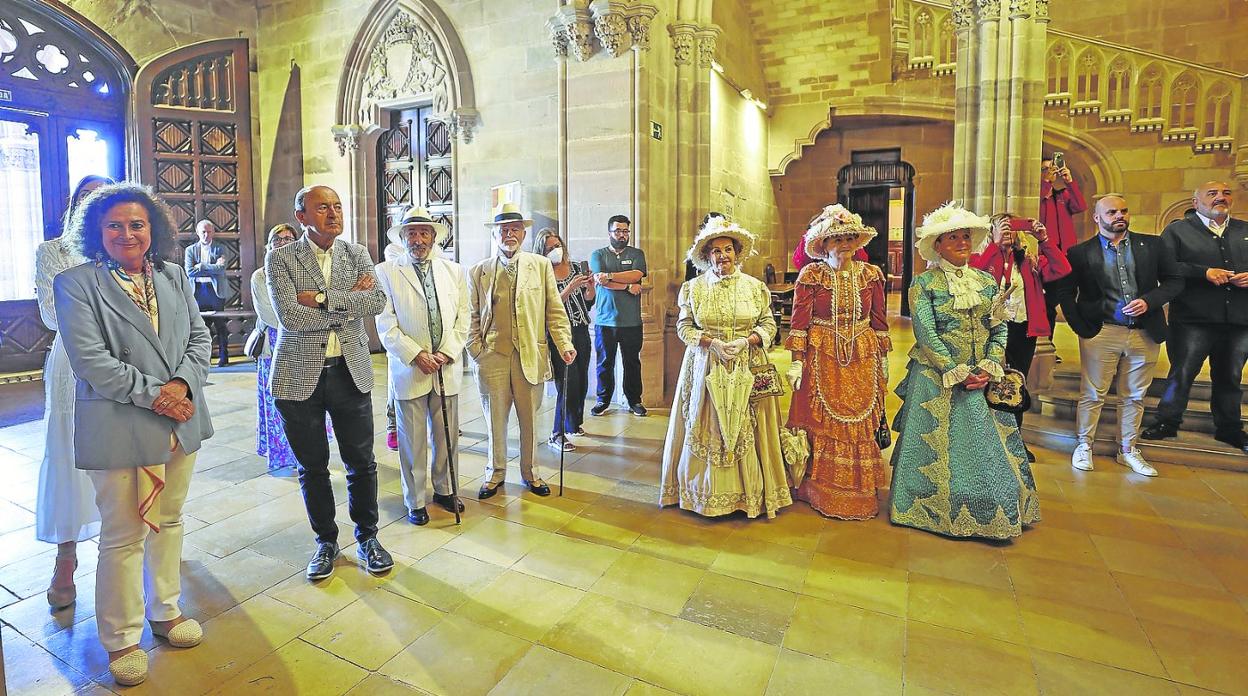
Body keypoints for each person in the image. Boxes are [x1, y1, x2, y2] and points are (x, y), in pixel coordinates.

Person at [54, 183, 214, 686]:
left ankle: (165, 611)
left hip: (180, 415)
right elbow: (92, 361)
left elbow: (199, 337)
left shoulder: (172, 274)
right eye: (115, 226)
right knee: (123, 533)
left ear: (155, 229)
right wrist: (157, 394)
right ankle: (121, 637)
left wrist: (183, 384)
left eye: (137, 224)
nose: (127, 234)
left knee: (168, 519)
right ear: (96, 233)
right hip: (120, 419)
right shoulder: (76, 283)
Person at [889, 202, 1040, 540]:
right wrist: (955, 370)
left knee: (987, 448)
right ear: (938, 245)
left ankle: (991, 508)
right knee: (938, 448)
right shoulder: (924, 284)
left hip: (983, 375)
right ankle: (929, 511)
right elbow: (926, 333)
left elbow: (999, 326)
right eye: (952, 237)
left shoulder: (986, 283)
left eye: (965, 236)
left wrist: (990, 364)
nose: (961, 242)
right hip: (937, 378)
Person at [266, 185, 393, 580]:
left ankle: (368, 537)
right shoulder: (280, 259)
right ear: (302, 215)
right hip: (298, 376)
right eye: (323, 208)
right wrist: (345, 303)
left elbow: (376, 303)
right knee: (313, 466)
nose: (333, 213)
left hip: (349, 371)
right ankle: (326, 542)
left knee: (361, 462)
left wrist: (320, 299)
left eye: (337, 206)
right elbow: (291, 318)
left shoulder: (357, 254)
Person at [660, 219, 792, 519]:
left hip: (748, 364)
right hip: (706, 365)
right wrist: (710, 343)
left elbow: (769, 324)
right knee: (707, 424)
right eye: (716, 251)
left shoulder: (755, 287)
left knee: (748, 426)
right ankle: (705, 494)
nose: (723, 256)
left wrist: (749, 341)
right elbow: (684, 326)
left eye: (728, 249)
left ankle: (750, 495)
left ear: (737, 253)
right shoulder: (693, 289)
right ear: (707, 256)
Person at [1058, 195, 1182, 476]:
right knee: (1092, 393)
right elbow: (1065, 292)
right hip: (1102, 331)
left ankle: (1128, 450)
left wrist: (1150, 301)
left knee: (1135, 395)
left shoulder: (1152, 245)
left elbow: (1175, 281)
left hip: (1144, 331)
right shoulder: (1079, 252)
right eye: (1112, 212)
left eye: (1124, 210)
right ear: (1097, 217)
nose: (1119, 216)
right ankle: (1084, 445)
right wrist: (1079, 326)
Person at [34, 174, 111, 611]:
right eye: (88, 199)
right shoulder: (53, 252)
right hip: (74, 361)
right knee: (70, 453)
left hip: (127, 358)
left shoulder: (124, 248)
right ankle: (66, 557)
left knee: (127, 454)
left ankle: (128, 550)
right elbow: (51, 312)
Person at [784, 205, 890, 519]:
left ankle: (857, 491)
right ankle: (819, 487)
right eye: (836, 239)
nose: (844, 244)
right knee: (822, 420)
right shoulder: (812, 275)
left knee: (859, 418)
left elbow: (879, 320)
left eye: (849, 238)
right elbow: (799, 322)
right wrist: (796, 361)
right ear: (824, 244)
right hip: (822, 354)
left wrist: (883, 359)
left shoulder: (871, 275)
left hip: (861, 355)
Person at [467, 202, 575, 499]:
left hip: (531, 355)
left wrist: (564, 343)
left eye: (515, 229)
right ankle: (495, 473)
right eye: (504, 230)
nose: (509, 234)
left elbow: (554, 310)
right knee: (495, 420)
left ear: (523, 234)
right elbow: (471, 316)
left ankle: (531, 473)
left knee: (530, 419)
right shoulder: (479, 271)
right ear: (496, 234)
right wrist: (477, 351)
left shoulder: (540, 267)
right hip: (493, 356)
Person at [374, 207, 469, 526]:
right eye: (411, 233)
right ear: (402, 238)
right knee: (412, 439)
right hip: (409, 368)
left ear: (433, 236)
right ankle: (414, 499)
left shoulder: (454, 271)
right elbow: (385, 322)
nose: (418, 239)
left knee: (447, 436)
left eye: (423, 233)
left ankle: (445, 489)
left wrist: (446, 352)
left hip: (445, 366)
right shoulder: (386, 271)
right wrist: (415, 354)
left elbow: (463, 318)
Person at [1142, 181, 1248, 452]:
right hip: (1193, 318)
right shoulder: (1178, 231)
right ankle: (1167, 421)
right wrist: (1204, 272)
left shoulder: (1244, 230)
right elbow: (1164, 266)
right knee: (1183, 372)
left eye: (1225, 193)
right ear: (1196, 202)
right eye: (1212, 194)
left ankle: (1230, 428)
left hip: (1239, 319)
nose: (1220, 198)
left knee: (1230, 375)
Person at [970, 213, 1071, 461]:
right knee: (985, 385)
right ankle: (982, 442)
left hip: (1022, 330)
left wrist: (1044, 240)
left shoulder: (1029, 261)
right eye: (1003, 227)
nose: (1009, 233)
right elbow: (977, 279)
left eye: (1013, 227)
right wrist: (995, 246)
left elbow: (1062, 269)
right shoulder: (983, 257)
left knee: (1015, 385)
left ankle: (1014, 441)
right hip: (990, 330)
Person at [533, 227, 595, 453]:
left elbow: (588, 302)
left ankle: (573, 423)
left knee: (582, 382)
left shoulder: (577, 267)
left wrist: (589, 288)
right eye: (550, 248)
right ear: (542, 251)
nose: (555, 251)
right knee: (568, 382)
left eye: (557, 246)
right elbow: (547, 306)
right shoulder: (541, 274)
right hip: (559, 334)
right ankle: (556, 433)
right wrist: (569, 288)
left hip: (580, 329)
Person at [251, 223, 299, 472]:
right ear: (269, 247)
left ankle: (303, 452)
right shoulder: (260, 276)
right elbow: (269, 314)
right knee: (277, 401)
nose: (283, 244)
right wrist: (301, 319)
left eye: (289, 239)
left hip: (304, 346)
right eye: (278, 240)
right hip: (275, 345)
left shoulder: (304, 273)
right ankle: (281, 455)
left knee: (303, 403)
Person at [589, 214, 648, 416]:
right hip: (605, 320)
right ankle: (602, 400)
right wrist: (628, 286)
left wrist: (612, 276)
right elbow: (600, 280)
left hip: (631, 321)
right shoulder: (598, 255)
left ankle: (634, 401)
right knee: (605, 363)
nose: (622, 235)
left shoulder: (637, 254)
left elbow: (637, 274)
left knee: (632, 362)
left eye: (625, 231)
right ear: (609, 233)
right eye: (618, 231)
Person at [184, 220, 231, 367]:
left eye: (209, 231)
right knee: (201, 327)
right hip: (198, 291)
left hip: (215, 292)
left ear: (213, 232)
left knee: (220, 325)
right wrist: (212, 268)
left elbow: (221, 268)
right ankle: (205, 359)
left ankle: (224, 357)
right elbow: (190, 272)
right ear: (198, 233)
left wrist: (202, 266)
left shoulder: (220, 248)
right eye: (203, 232)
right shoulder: (190, 250)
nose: (206, 235)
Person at [792, 205, 870, 271]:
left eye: (849, 239)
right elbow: (800, 262)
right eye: (838, 240)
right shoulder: (812, 273)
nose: (845, 244)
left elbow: (862, 259)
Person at [383, 239, 405, 452]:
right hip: (399, 332)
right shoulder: (393, 249)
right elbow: (402, 266)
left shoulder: (436, 251)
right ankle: (393, 427)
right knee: (395, 386)